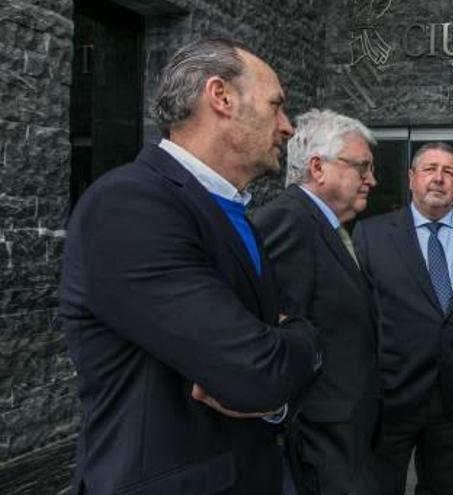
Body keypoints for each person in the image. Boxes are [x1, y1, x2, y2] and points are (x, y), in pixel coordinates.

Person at [57, 38, 322, 495]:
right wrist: (307, 339)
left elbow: (264, 369)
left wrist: (279, 368)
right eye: (276, 105)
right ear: (220, 97)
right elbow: (255, 372)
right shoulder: (129, 205)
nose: (287, 126)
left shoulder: (232, 211)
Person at [352, 142, 453, 495]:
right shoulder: (371, 235)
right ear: (411, 178)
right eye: (429, 169)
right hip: (390, 399)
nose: (438, 179)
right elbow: (360, 318)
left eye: (449, 172)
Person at [253, 108, 380, 495]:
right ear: (318, 168)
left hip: (338, 438)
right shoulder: (288, 222)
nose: (372, 180)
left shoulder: (328, 227)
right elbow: (275, 333)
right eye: (362, 167)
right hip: (313, 445)